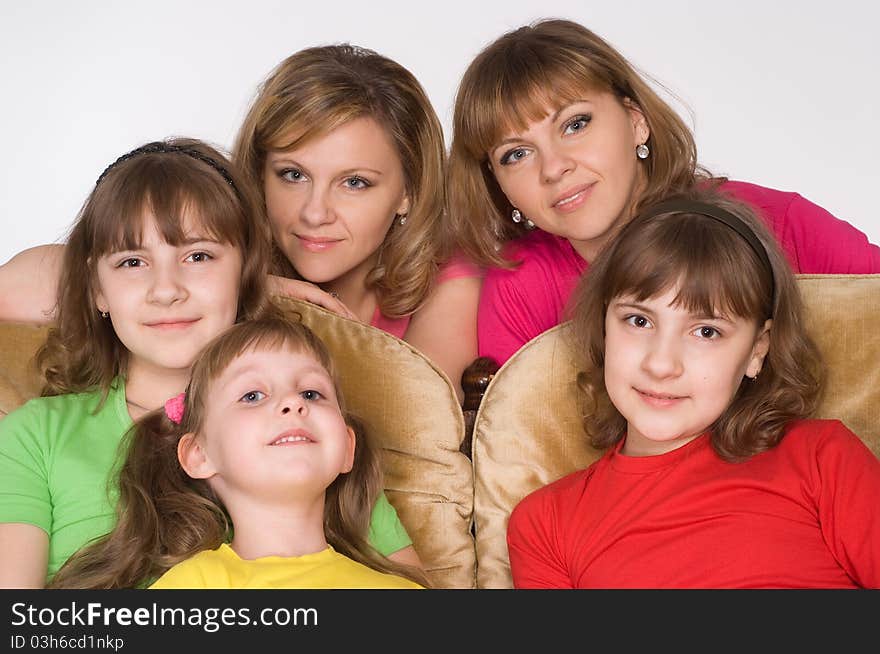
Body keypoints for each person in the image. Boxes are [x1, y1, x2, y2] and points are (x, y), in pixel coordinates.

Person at [0, 139, 418, 588]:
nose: (167, 290)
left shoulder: (300, 432)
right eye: (132, 262)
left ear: (245, 270)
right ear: (96, 288)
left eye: (198, 256)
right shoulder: (36, 435)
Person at [0, 44, 481, 401]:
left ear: (408, 193)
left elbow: (415, 412)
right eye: (292, 175)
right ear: (257, 172)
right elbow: (13, 287)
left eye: (354, 183)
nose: (315, 212)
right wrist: (246, 282)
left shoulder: (445, 276)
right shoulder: (222, 260)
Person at [446, 18, 880, 366]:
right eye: (516, 154)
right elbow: (516, 457)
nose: (555, 167)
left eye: (575, 124)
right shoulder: (523, 286)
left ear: (636, 120)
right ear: (497, 185)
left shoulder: (776, 222)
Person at [506, 189, 880, 588]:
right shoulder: (546, 524)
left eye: (706, 331)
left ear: (757, 350)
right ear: (603, 326)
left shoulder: (822, 458)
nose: (661, 364)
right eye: (638, 321)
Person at [49, 313, 428, 589]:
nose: (293, 404)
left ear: (347, 447)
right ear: (199, 454)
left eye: (311, 393)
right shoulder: (193, 588)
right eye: (252, 395)